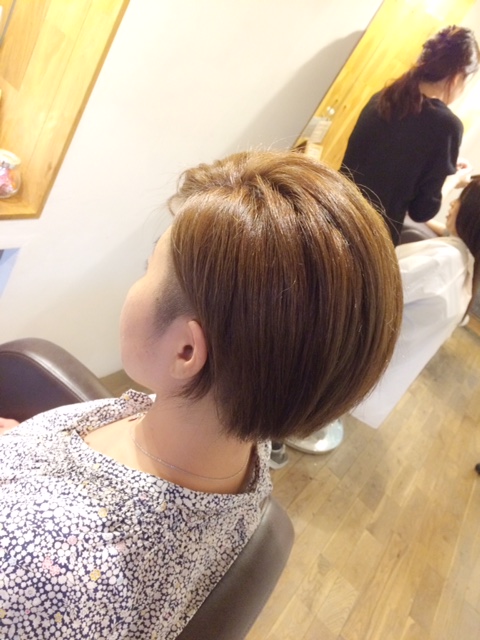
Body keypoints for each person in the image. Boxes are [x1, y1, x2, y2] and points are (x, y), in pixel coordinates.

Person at [0, 150, 402, 639]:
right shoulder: (240, 443)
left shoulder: (36, 563)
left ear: (186, 350)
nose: (135, 284)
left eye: (148, 267)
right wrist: (26, 452)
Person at [352, 178, 480, 429]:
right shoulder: (466, 265)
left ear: (471, 216)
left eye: (460, 200)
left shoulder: (442, 262)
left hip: (360, 352)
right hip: (378, 360)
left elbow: (376, 291)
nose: (452, 204)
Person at [340, 25, 479, 246]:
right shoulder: (447, 126)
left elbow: (388, 166)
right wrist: (453, 179)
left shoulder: (382, 98)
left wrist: (441, 167)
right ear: (456, 78)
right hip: (369, 240)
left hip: (334, 212)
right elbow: (422, 211)